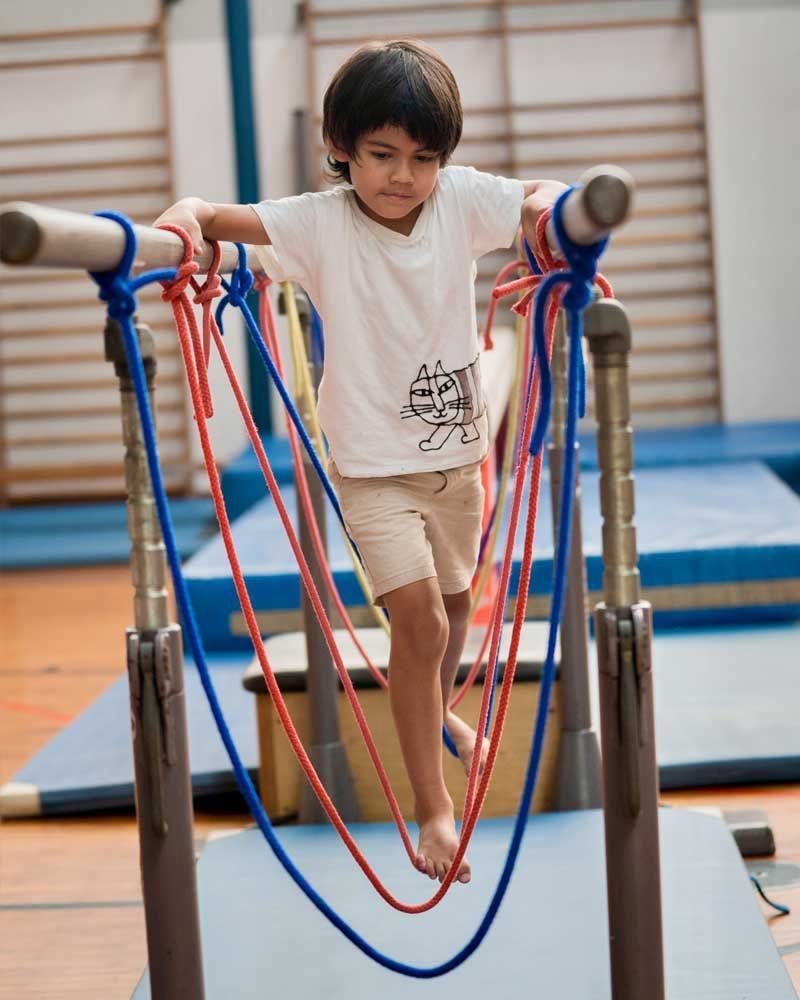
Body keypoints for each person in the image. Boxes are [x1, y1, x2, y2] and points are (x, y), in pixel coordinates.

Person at [155, 38, 567, 886]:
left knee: (451, 620)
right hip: (373, 469)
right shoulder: (318, 221)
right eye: (381, 155)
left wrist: (564, 208)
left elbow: (535, 200)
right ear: (341, 148)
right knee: (419, 625)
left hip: (459, 465)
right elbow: (216, 218)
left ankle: (443, 718)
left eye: (422, 158)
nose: (403, 176)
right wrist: (185, 217)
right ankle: (433, 808)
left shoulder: (460, 201)